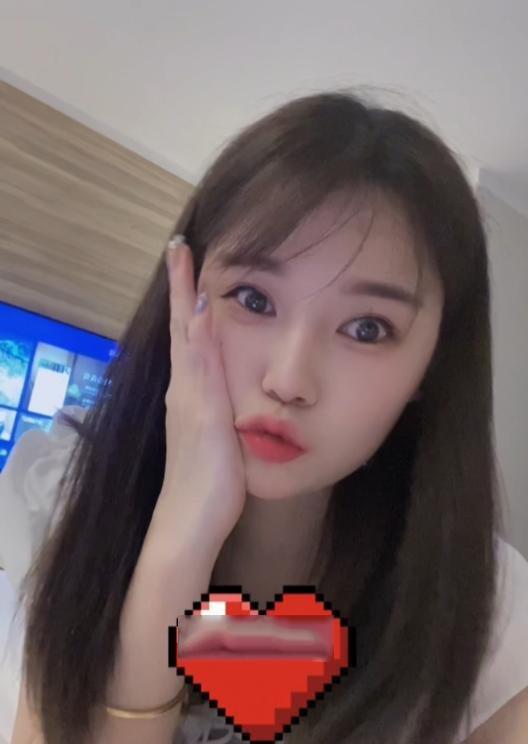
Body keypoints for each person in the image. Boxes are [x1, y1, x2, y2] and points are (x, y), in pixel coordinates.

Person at [5, 89, 528, 744]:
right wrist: (177, 550)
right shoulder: (65, 496)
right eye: (253, 298)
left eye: (367, 328)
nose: (288, 380)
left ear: (433, 366)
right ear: (185, 289)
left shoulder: (486, 611)